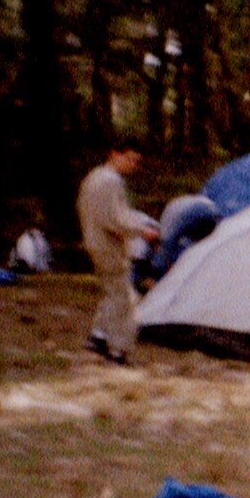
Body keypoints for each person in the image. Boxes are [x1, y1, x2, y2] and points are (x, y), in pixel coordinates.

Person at [77, 144, 159, 365]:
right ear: (114, 154)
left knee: (112, 292)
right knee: (123, 298)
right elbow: (116, 219)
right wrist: (143, 231)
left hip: (94, 240)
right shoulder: (110, 182)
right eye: (129, 159)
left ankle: (98, 338)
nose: (132, 165)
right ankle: (118, 351)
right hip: (109, 245)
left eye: (136, 162)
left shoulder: (93, 177)